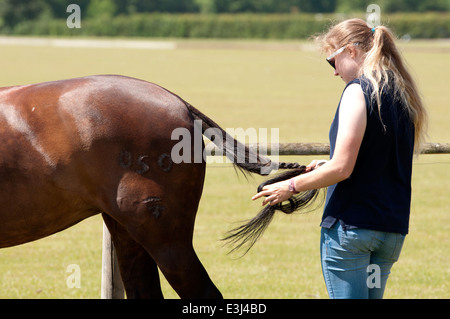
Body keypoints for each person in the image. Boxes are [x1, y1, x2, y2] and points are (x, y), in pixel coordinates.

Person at [251, 18, 427, 299]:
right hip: (390, 232)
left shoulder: (357, 91)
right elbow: (373, 159)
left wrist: (290, 186)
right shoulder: (403, 94)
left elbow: (343, 168)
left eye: (332, 61)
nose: (334, 73)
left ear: (351, 51)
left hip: (352, 231)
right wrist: (326, 165)